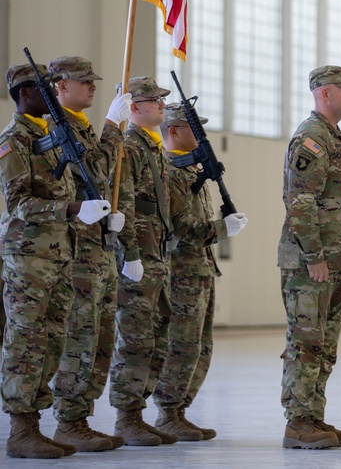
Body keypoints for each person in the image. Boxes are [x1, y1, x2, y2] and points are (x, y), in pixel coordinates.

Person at [1, 63, 112, 459]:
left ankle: (38, 425)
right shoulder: (13, 140)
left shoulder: (53, 134)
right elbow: (18, 204)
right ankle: (20, 429)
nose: (50, 96)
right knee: (26, 339)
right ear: (26, 94)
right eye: (43, 90)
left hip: (59, 253)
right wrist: (70, 209)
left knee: (52, 340)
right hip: (28, 255)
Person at [47, 56, 131, 453]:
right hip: (77, 253)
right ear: (60, 86)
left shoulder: (78, 126)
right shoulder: (53, 128)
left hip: (97, 249)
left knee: (101, 339)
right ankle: (68, 420)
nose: (92, 87)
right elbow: (95, 169)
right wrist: (113, 127)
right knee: (79, 338)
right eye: (83, 82)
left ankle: (80, 418)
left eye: (93, 81)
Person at [278, 66, 341, 450]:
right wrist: (313, 254)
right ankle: (297, 422)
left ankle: (313, 416)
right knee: (306, 341)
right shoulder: (311, 138)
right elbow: (300, 200)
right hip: (311, 261)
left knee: (324, 344)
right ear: (325, 93)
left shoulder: (333, 136)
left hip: (334, 258)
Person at [152, 103, 248, 441]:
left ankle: (178, 410)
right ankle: (167, 412)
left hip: (200, 269)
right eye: (194, 128)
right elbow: (182, 227)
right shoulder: (169, 173)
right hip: (181, 272)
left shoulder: (192, 173)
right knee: (182, 345)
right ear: (173, 131)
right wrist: (222, 229)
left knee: (200, 346)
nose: (201, 135)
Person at [108, 76, 179, 446]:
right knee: (135, 340)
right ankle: (126, 416)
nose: (162, 105)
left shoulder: (152, 147)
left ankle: (138, 409)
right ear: (134, 108)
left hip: (157, 256)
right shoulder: (128, 147)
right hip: (139, 257)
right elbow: (125, 205)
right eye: (154, 100)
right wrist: (130, 254)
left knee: (155, 339)